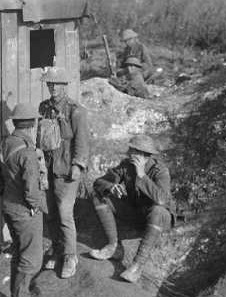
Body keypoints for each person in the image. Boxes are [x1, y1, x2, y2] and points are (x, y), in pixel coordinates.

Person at [0, 103, 48, 297]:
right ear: (32, 125)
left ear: (15, 123)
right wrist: (34, 206)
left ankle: (18, 296)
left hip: (9, 207)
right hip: (25, 210)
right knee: (32, 257)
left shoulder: (5, 144)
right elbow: (31, 187)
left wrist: (7, 193)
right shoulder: (28, 152)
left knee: (20, 252)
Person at [88, 134, 173, 283]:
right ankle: (113, 246)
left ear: (142, 155)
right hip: (137, 213)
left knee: (157, 210)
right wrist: (111, 187)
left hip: (159, 218)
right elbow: (98, 183)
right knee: (100, 196)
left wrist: (141, 175)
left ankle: (137, 267)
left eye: (132, 150)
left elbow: (161, 199)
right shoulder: (126, 166)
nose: (128, 153)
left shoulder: (160, 171)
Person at [37, 67, 90, 279]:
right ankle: (57, 249)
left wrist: (78, 165)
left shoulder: (76, 111)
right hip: (47, 168)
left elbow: (82, 142)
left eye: (56, 84)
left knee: (65, 214)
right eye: (50, 84)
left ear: (64, 85)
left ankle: (70, 255)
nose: (53, 88)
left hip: (66, 169)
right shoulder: (44, 108)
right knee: (49, 211)